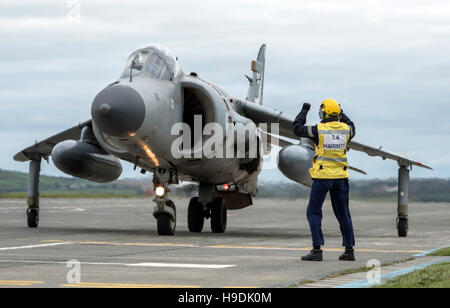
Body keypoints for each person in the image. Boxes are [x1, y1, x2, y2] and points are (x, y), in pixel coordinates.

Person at [293, 99, 356, 261]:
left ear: (324, 113)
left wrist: (304, 110)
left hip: (322, 178)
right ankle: (349, 251)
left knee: (313, 212)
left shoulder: (318, 130)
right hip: (341, 178)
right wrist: (341, 113)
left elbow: (297, 128)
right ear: (338, 114)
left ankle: (317, 250)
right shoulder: (347, 130)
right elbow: (351, 124)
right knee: (343, 214)